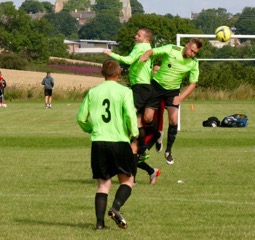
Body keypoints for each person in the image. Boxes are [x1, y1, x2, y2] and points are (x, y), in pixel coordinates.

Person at [77, 59, 139, 230]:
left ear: (102, 73)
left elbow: (81, 118)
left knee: (103, 184)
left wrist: (91, 129)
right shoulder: (125, 91)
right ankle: (116, 208)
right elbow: (129, 116)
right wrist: (134, 134)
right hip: (119, 141)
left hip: (99, 142)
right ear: (119, 73)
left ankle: (99, 224)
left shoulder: (93, 92)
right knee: (128, 180)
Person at [103, 28, 160, 184]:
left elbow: (128, 60)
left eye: (139, 35)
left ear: (146, 40)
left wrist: (110, 54)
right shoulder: (146, 48)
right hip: (141, 87)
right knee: (136, 132)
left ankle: (151, 138)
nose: (135, 36)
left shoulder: (141, 47)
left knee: (129, 120)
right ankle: (147, 169)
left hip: (141, 87)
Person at [140, 38, 203, 165]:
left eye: (195, 52)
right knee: (147, 118)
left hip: (173, 91)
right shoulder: (172, 49)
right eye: (191, 50)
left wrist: (180, 97)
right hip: (157, 86)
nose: (192, 54)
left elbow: (192, 84)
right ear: (187, 45)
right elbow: (152, 51)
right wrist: (146, 55)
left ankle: (168, 151)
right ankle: (157, 135)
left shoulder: (194, 63)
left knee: (174, 120)